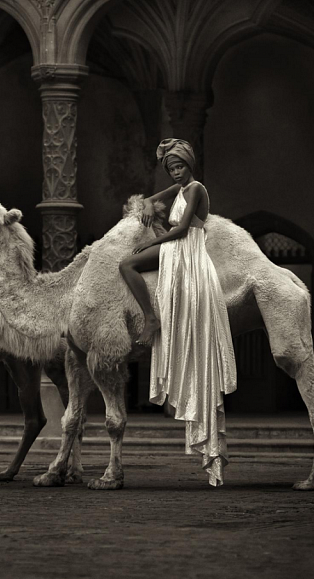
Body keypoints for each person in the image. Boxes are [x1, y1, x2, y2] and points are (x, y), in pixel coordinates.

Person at [118, 138, 237, 486]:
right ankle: (152, 316)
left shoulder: (197, 188)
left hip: (187, 252)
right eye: (170, 168)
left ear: (190, 165)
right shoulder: (179, 187)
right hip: (173, 246)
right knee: (126, 265)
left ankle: (151, 318)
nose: (175, 171)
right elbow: (154, 200)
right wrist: (146, 206)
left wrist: (153, 240)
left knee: (128, 263)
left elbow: (183, 229)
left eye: (179, 166)